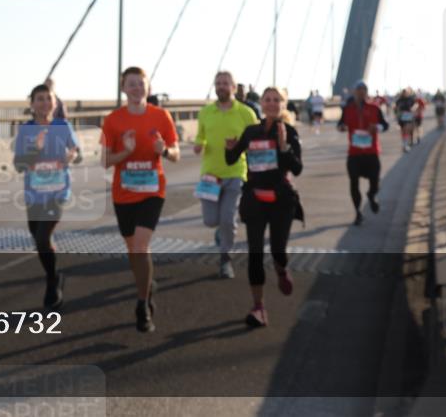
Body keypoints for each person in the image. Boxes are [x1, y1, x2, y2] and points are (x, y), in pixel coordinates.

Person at [101, 67, 180, 333]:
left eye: (141, 83)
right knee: (133, 250)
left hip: (152, 191)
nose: (137, 88)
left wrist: (164, 150)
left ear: (148, 87)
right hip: (124, 193)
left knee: (140, 246)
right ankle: (145, 285)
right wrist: (126, 151)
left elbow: (176, 154)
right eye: (131, 84)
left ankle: (142, 303)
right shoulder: (113, 120)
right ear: (123, 88)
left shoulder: (161, 116)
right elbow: (105, 161)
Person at [225, 87, 302, 327]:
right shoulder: (251, 131)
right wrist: (230, 148)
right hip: (255, 198)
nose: (271, 103)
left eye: (276, 100)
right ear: (262, 103)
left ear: (283, 104)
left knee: (278, 250)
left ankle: (281, 269)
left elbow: (297, 168)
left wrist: (284, 146)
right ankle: (258, 307)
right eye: (267, 99)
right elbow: (231, 159)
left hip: (281, 200)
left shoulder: (289, 131)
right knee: (255, 254)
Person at [13, 84, 80, 310]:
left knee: (42, 238)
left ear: (55, 102)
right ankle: (55, 274)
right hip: (34, 193)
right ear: (32, 104)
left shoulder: (63, 126)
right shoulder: (26, 130)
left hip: (57, 191)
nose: (44, 103)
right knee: (39, 239)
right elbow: (19, 165)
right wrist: (35, 148)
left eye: (48, 98)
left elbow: (77, 153)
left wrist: (71, 155)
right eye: (39, 99)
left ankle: (52, 282)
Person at [194, 71, 259, 279]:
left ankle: (225, 259)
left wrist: (242, 149)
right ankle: (220, 231)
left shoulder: (246, 113)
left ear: (233, 87)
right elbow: (200, 136)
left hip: (235, 172)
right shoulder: (206, 112)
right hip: (210, 174)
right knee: (210, 220)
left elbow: (255, 142)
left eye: (225, 83)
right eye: (218, 83)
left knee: (228, 219)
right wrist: (199, 145)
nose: (221, 86)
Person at [337, 81, 390, 225]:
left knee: (375, 183)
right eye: (359, 90)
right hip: (354, 154)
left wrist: (377, 127)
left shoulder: (374, 108)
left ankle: (371, 196)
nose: (361, 92)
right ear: (354, 92)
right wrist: (342, 127)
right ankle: (358, 212)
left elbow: (385, 125)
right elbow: (340, 124)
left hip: (371, 153)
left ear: (367, 92)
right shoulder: (347, 109)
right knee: (353, 183)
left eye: (364, 90)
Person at [394, 87, 418, 152]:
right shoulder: (399, 100)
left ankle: (408, 143)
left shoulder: (410, 99)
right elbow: (396, 108)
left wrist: (413, 109)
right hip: (402, 117)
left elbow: (415, 105)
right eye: (403, 92)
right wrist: (397, 114)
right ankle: (405, 145)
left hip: (409, 116)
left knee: (409, 130)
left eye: (406, 92)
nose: (404, 93)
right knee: (403, 131)